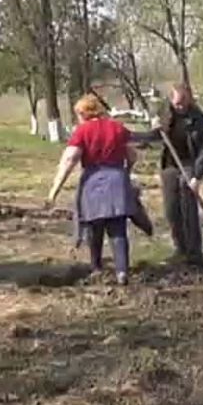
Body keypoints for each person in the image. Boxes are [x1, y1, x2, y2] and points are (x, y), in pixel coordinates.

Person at [48, 95, 139, 285]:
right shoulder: (117, 127)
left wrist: (55, 189)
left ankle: (96, 267)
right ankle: (122, 271)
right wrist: (125, 172)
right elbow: (132, 154)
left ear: (83, 113)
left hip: (93, 181)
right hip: (117, 180)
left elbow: (69, 159)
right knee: (118, 228)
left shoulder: (82, 131)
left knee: (94, 227)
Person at [152, 86, 203, 266]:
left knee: (188, 209)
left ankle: (194, 252)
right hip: (170, 165)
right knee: (172, 209)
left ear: (189, 100)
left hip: (188, 163)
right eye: (177, 103)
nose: (180, 107)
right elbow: (153, 138)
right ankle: (180, 249)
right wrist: (155, 128)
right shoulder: (165, 114)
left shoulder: (197, 117)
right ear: (171, 101)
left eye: (183, 102)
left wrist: (197, 176)